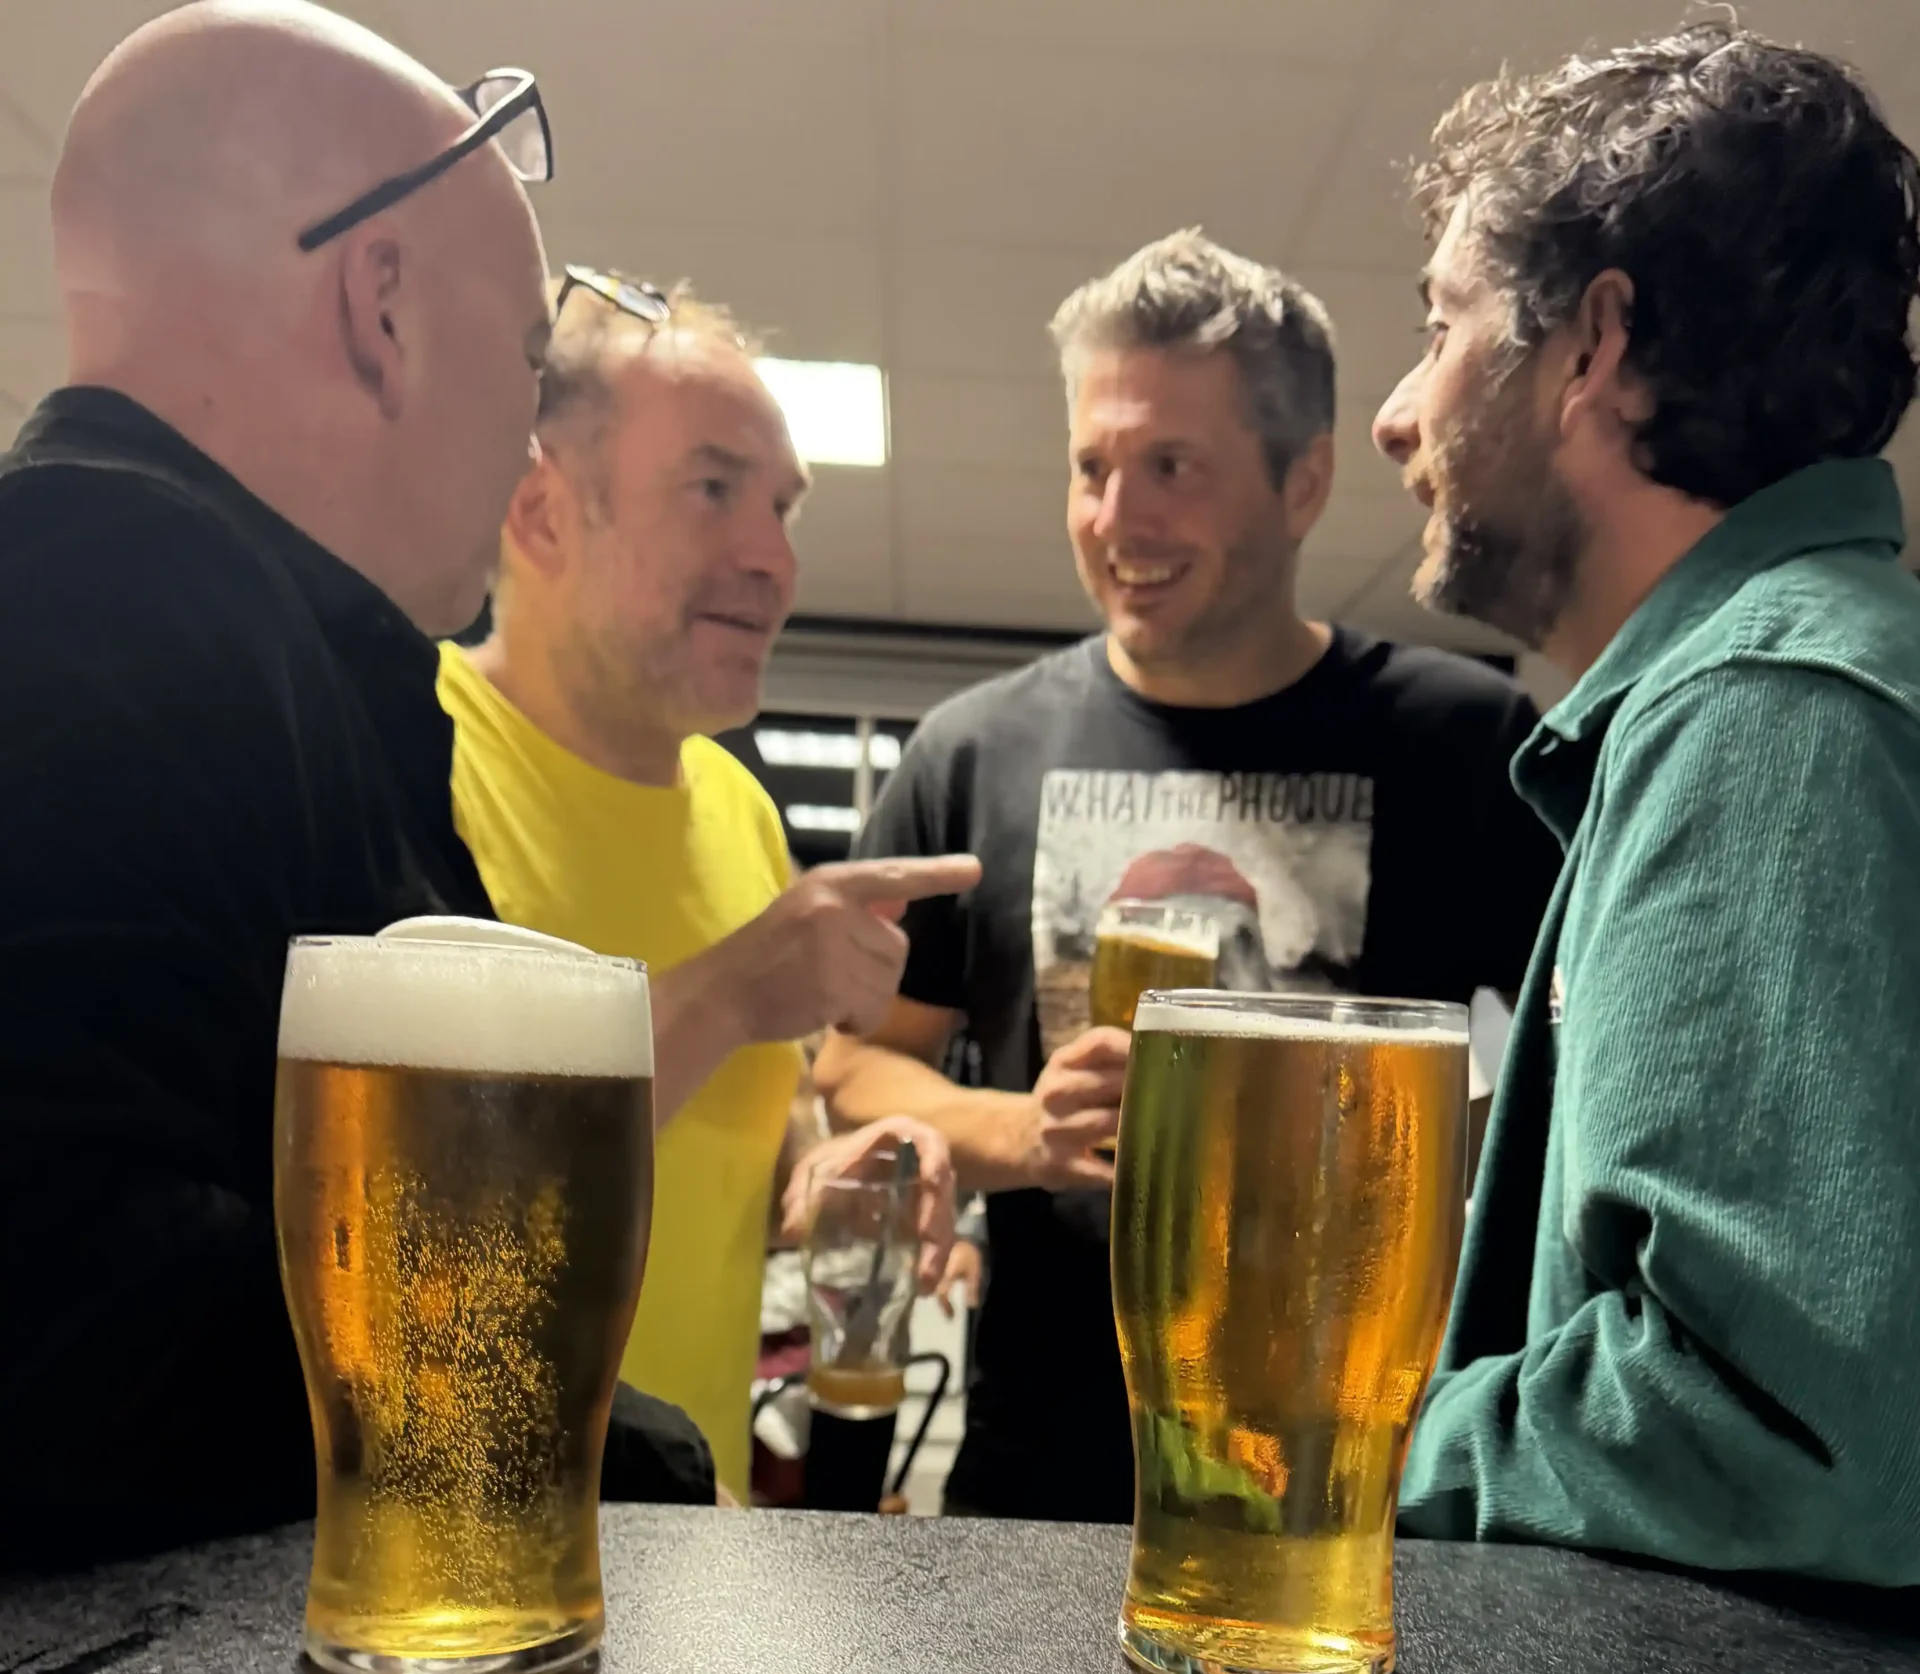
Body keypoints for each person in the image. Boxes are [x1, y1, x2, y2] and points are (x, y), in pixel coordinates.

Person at [0, 2, 711, 1570]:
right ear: (383, 309)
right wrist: (626, 1456)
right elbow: (60, 1320)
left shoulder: (233, 633)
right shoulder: (101, 601)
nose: (531, 458)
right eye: (530, 370)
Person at [815, 230, 1563, 1524]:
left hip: (1352, 1495)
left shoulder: (1468, 748)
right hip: (1037, 1481)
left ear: (1305, 481)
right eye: (1092, 467)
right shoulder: (971, 752)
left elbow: (1575, 1101)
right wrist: (1024, 1134)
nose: (1118, 520)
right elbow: (853, 1071)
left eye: (1173, 467)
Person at [1376, 29, 1920, 1583]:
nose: (1400, 414)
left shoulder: (1770, 714)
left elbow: (1786, 1437)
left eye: (1443, 326)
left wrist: (1373, 1435)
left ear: (1593, 348)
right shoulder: (1805, 680)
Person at [440, 279, 973, 1498]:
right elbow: (437, 1222)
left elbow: (746, 1138)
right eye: (713, 489)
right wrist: (732, 990)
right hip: (463, 1559)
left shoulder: (737, 809)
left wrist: (832, 1166)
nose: (775, 560)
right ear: (539, 512)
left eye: (781, 507)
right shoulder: (405, 753)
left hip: (696, 1555)